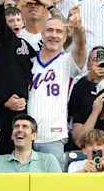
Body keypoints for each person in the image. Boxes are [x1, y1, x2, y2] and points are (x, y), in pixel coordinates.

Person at [26, 13, 87, 167]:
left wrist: (78, 29)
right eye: (50, 30)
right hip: (25, 137)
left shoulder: (67, 61)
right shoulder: (29, 61)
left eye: (59, 31)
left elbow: (80, 48)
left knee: (52, 187)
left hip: (53, 136)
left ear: (65, 37)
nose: (54, 35)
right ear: (42, 34)